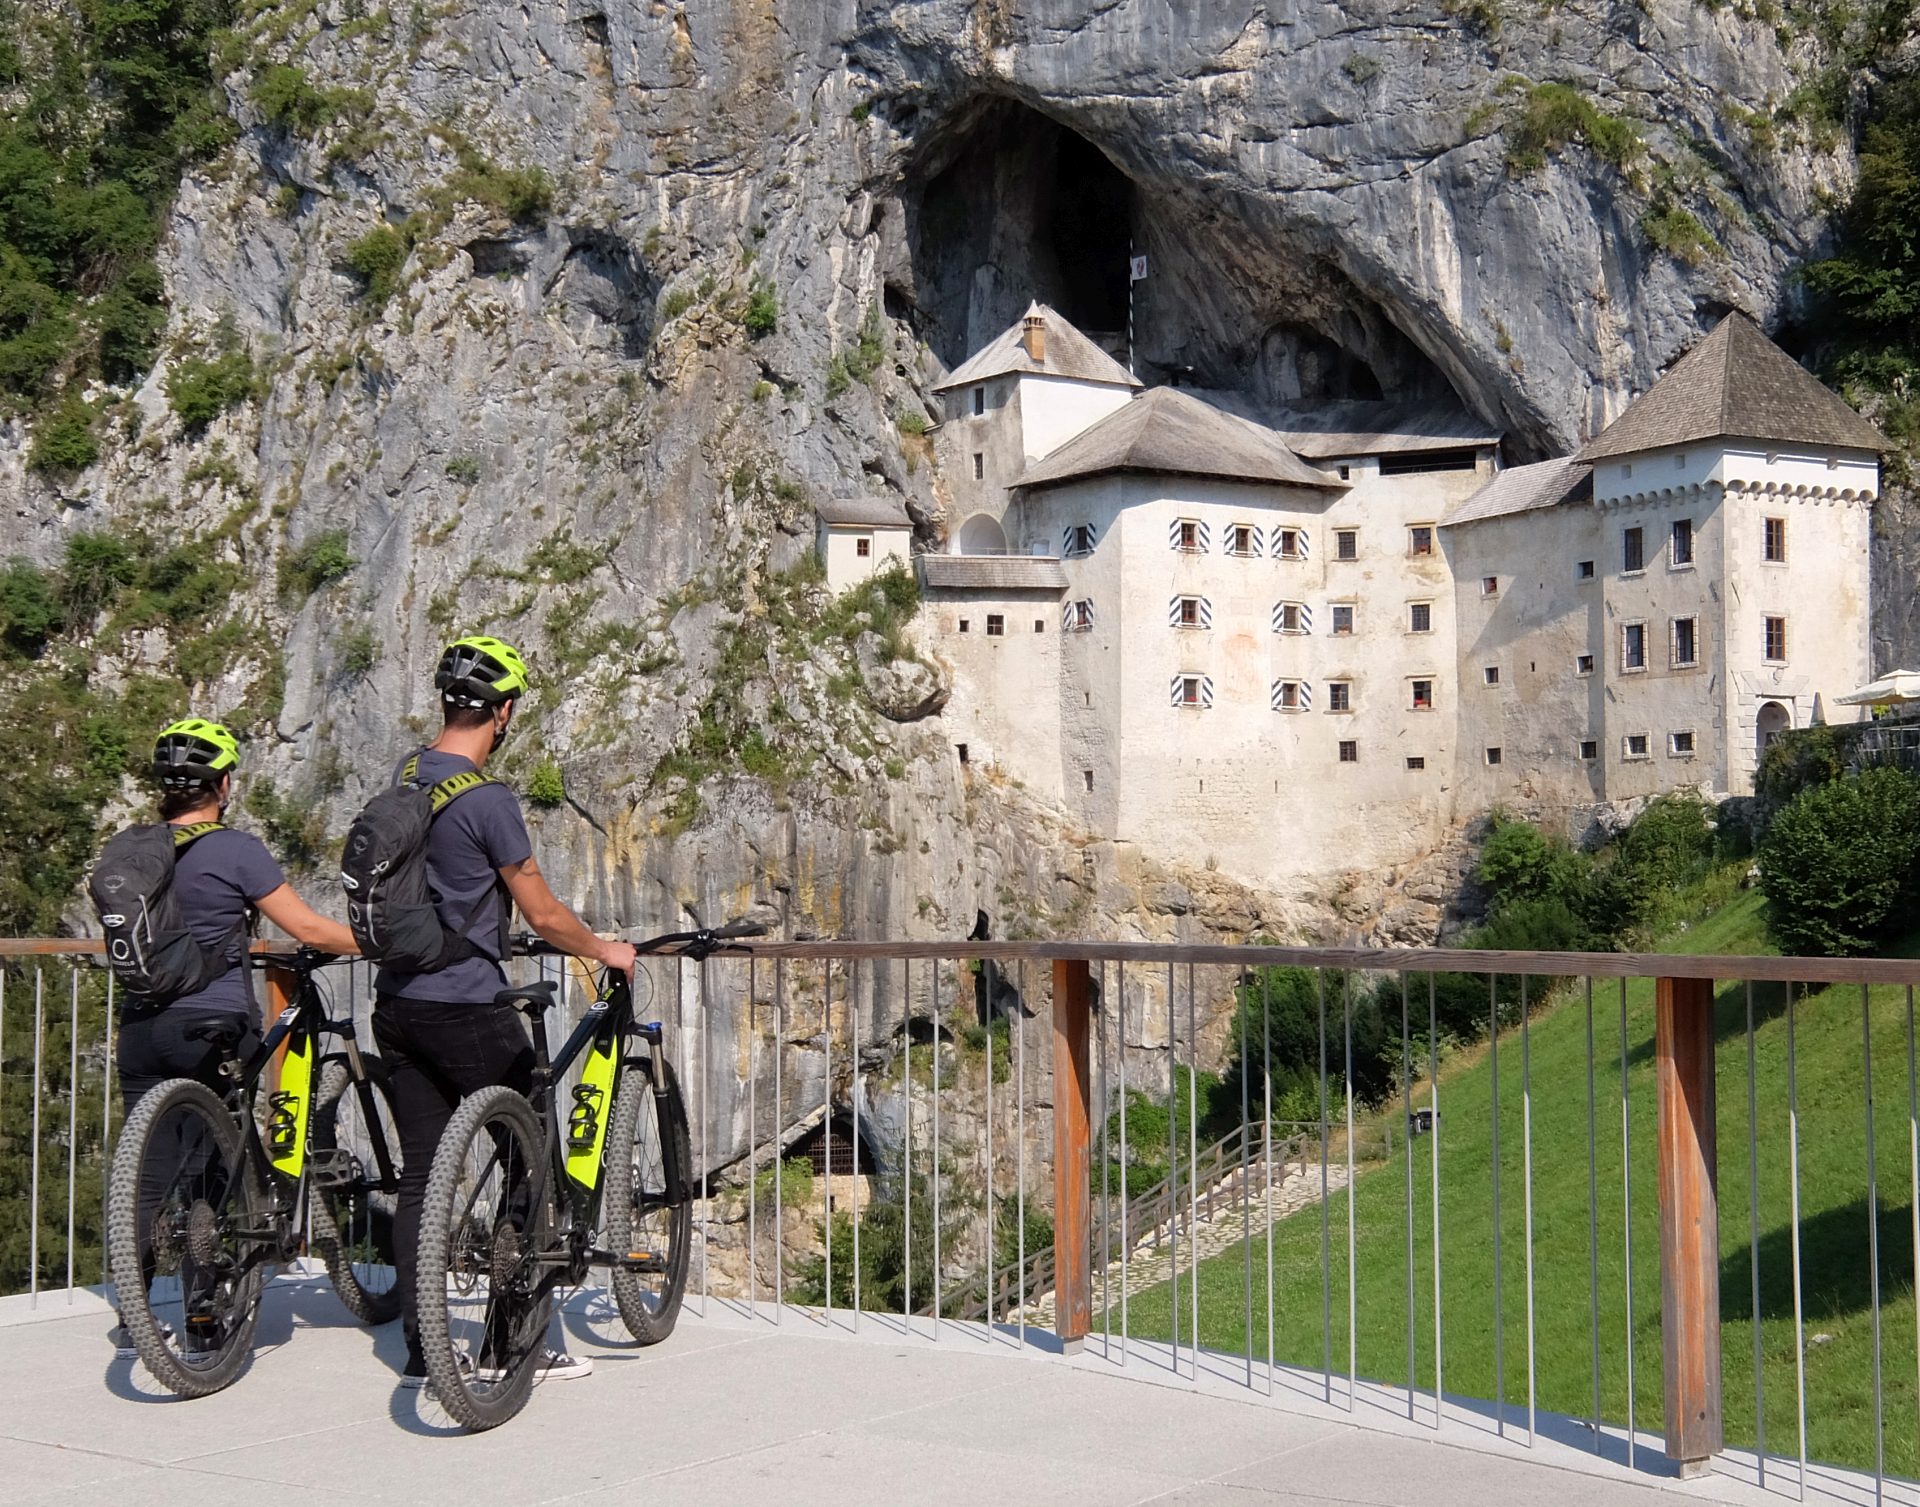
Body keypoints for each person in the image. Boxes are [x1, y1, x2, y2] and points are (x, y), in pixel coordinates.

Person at [371, 636, 636, 1387]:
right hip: (464, 1003)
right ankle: (510, 1341)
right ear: (505, 712)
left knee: (424, 1172)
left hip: (396, 1003)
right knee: (532, 1149)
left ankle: (425, 1352)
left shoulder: (407, 776)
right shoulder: (487, 800)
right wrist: (602, 948)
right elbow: (544, 912)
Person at [110, 718, 356, 1356]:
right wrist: (380, 943)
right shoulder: (236, 850)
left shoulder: (132, 851)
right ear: (223, 784)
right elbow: (305, 926)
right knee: (214, 1173)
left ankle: (133, 1318)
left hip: (140, 1027)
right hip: (210, 1025)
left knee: (150, 1175)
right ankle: (203, 1319)